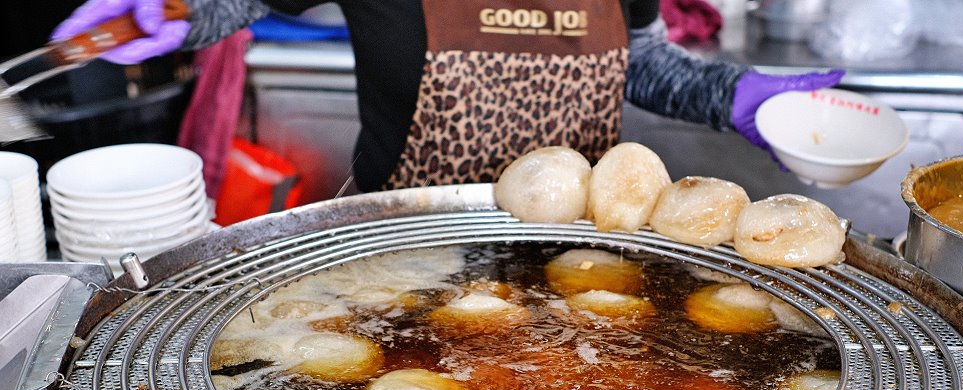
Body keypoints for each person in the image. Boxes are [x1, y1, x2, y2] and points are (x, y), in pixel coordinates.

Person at [51, 0, 843, 193]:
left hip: (574, 256)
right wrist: (166, 10)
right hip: (394, 246)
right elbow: (231, 2)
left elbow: (639, 64)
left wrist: (735, 96)